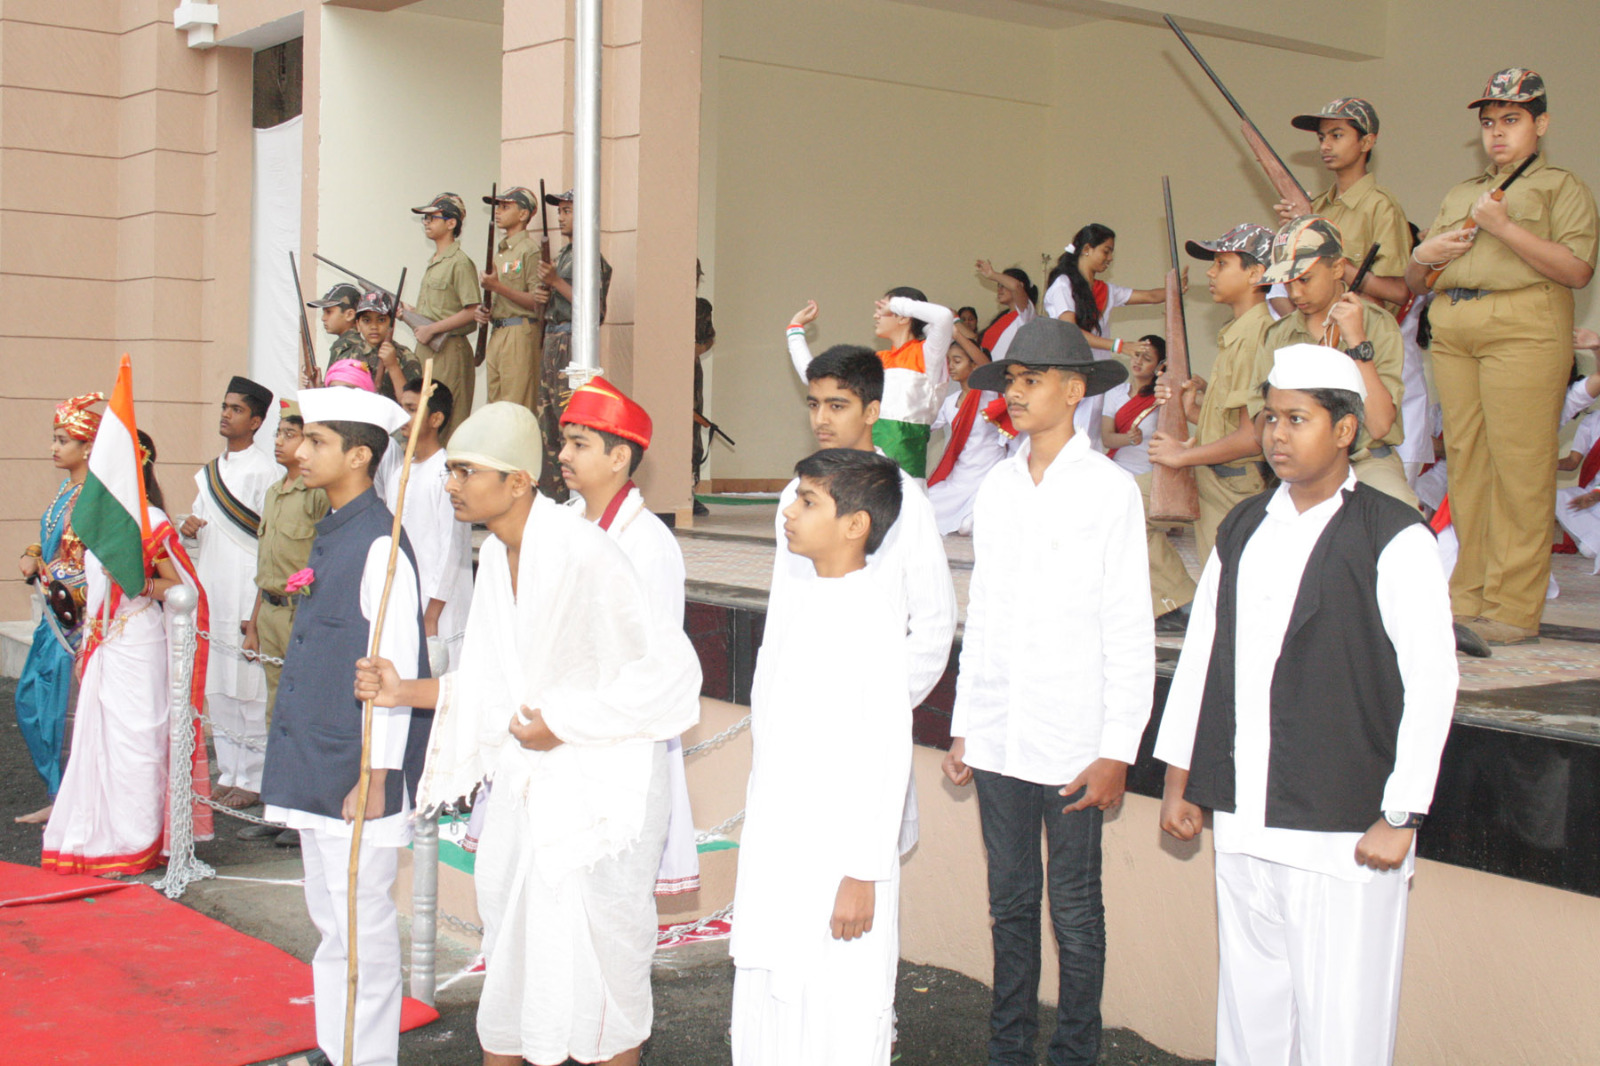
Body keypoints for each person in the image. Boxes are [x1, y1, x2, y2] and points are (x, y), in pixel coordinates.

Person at [354, 401, 701, 1066]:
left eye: (466, 470)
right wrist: (406, 691)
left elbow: (673, 678)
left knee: (602, 987)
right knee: (512, 973)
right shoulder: (500, 558)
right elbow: (491, 690)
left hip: (596, 806)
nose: (450, 483)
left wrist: (564, 725)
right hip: (528, 796)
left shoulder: (583, 552)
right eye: (449, 469)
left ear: (517, 481)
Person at [1155, 344, 1457, 1066]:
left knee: (1341, 1030)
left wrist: (1400, 813)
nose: (1277, 435)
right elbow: (1204, 658)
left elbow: (1432, 679)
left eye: (1298, 418)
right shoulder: (1244, 526)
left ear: (1346, 429)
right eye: (1269, 418)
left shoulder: (1394, 533)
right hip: (1246, 817)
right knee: (1250, 1015)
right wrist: (1181, 778)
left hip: (1344, 827)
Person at [942, 317, 1154, 1066]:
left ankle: (1074, 1052)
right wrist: (968, 725)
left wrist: (1116, 750)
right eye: (1011, 381)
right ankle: (1009, 1050)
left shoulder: (1109, 492)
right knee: (1009, 907)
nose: (1016, 394)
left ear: (1073, 391)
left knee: (1074, 910)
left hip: (1073, 737)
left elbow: (1128, 628)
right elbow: (986, 613)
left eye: (1031, 382)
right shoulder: (997, 487)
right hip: (1000, 734)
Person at [259, 386, 426, 1066]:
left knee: (363, 927)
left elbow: (397, 669)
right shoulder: (335, 532)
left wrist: (377, 774)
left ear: (360, 455)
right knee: (333, 922)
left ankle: (368, 1056)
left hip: (358, 772)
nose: (300, 450)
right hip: (320, 761)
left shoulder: (380, 545)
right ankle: (338, 1047)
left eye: (318, 440)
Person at [730, 448, 910, 1066]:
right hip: (784, 849)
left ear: (856, 524)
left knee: (835, 1018)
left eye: (808, 501)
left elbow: (887, 753)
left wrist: (862, 872)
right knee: (772, 1018)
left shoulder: (873, 615)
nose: (790, 511)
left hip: (839, 865)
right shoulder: (806, 602)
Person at [1406, 68, 1597, 646]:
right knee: (1466, 464)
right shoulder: (1462, 191)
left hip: (1524, 323)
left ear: (1540, 124)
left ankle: (1513, 607)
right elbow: (1417, 281)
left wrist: (1505, 228)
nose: (1497, 133)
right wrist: (1423, 254)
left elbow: (1576, 269)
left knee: (1521, 467)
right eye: (1489, 123)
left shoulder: (1560, 186)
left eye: (1511, 120)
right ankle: (1468, 595)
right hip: (1457, 326)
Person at [772, 345, 956, 860]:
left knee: (858, 891)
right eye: (813, 404)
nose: (821, 419)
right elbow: (785, 611)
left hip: (862, 728)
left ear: (872, 411)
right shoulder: (795, 494)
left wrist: (881, 702)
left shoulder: (905, 501)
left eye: (837, 405)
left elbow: (935, 622)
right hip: (793, 715)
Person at [558, 376, 700, 896]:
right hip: (566, 729)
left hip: (620, 742)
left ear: (619, 458)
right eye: (565, 441)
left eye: (579, 444)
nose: (563, 454)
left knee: (612, 899)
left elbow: (652, 664)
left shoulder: (649, 544)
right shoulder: (564, 524)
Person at [42, 432, 207, 875]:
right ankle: (102, 834)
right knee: (99, 743)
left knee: (137, 743)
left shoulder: (150, 520)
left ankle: (139, 838)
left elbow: (183, 588)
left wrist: (142, 585)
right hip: (104, 642)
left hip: (138, 639)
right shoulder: (97, 519)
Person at [1257, 216, 1416, 508]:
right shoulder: (1279, 335)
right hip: (1300, 468)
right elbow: (1262, 423)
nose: (1295, 294)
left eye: (1304, 279)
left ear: (1338, 269)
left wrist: (1356, 342)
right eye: (1287, 283)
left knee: (1401, 513)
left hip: (1367, 463)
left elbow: (1380, 425)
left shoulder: (1377, 325)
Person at [182, 376, 280, 811]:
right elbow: (202, 531)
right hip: (212, 587)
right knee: (219, 686)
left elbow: (269, 541)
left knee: (249, 687)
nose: (226, 414)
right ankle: (229, 772)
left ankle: (255, 778)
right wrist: (189, 530)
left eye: (236, 409)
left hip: (246, 590)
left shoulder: (265, 471)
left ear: (256, 421)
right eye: (225, 407)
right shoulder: (210, 473)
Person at [1149, 223, 1275, 561]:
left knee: (1224, 587)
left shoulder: (1255, 339)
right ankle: (1178, 605)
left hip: (1232, 485)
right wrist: (1191, 410)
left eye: (1222, 263)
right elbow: (1230, 422)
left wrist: (1181, 455)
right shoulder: (1237, 332)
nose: (1211, 272)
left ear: (1256, 273)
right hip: (1217, 474)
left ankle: (1179, 604)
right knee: (1122, 504)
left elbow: (1253, 437)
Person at [240, 401, 331, 844]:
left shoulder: (315, 495)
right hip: (272, 611)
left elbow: (320, 557)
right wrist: (254, 622)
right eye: (277, 434)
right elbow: (267, 563)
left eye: (288, 434)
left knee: (302, 708)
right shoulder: (275, 493)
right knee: (275, 711)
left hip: (301, 611)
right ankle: (277, 806)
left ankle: (301, 811)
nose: (279, 442)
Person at [14, 393, 101, 825]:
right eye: (54, 439)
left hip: (73, 623)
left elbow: (95, 558)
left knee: (60, 709)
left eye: (63, 440)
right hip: (53, 615)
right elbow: (50, 539)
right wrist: (33, 554)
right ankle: (60, 793)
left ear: (87, 447)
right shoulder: (67, 490)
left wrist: (65, 586)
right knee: (32, 699)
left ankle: (67, 798)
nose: (54, 447)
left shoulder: (92, 496)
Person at [1043, 224, 1186, 452]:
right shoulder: (1063, 285)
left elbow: (1149, 295)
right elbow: (1070, 332)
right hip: (1066, 373)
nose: (1109, 258)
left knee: (1087, 440)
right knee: (1066, 439)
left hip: (1094, 377)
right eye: (1106, 251)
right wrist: (1120, 346)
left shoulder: (1105, 290)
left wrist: (1174, 287)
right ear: (1087, 249)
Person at [787, 289, 955, 481]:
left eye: (882, 308)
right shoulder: (876, 361)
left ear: (903, 317)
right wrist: (795, 331)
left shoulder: (927, 354)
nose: (876, 315)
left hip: (906, 471)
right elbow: (816, 378)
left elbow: (943, 317)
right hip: (866, 464)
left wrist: (897, 305)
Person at [1277, 98, 1412, 311]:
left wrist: (1323, 245)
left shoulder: (1380, 206)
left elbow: (1398, 292)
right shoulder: (1318, 206)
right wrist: (1292, 233)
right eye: (1321, 137)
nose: (1325, 146)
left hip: (1361, 331)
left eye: (1337, 135)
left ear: (1366, 142)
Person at [1102, 336, 1196, 623]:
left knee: (1130, 524)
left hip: (1150, 475)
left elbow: (1178, 435)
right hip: (1117, 470)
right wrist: (1127, 438)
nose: (1138, 361)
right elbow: (1107, 437)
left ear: (1159, 366)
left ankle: (1174, 601)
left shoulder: (1162, 396)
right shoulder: (1116, 393)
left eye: (1146, 357)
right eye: (1136, 354)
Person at [384, 378, 472, 678]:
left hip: (439, 610)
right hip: (407, 599)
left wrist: (432, 613)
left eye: (411, 409)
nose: (402, 417)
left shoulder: (447, 472)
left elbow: (453, 548)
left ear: (436, 419)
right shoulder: (399, 473)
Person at [537, 187, 614, 501]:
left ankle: (574, 498)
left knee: (570, 421)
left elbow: (593, 309)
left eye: (568, 211)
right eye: (560, 211)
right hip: (553, 339)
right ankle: (551, 496)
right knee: (548, 424)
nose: (561, 217)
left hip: (572, 343)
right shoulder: (563, 255)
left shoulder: (589, 257)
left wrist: (556, 283)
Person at [407, 192, 482, 441]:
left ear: (451, 223)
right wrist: (410, 315)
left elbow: (473, 310)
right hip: (429, 349)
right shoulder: (436, 261)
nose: (426, 223)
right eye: (425, 219)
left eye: (432, 217)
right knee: (424, 418)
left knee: (446, 422)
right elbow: (437, 311)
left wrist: (433, 329)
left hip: (449, 349)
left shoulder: (459, 262)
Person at [928, 329, 1005, 536]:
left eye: (957, 360)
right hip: (959, 477)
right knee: (925, 508)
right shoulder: (950, 402)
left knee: (968, 526)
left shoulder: (990, 395)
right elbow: (925, 427)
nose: (951, 366)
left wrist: (957, 334)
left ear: (973, 366)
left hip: (987, 475)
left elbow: (989, 367)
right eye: (949, 361)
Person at [476, 187, 544, 410]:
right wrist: (484, 310)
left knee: (515, 407)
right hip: (498, 331)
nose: (498, 212)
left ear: (523, 214)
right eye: (498, 206)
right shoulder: (502, 252)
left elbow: (537, 301)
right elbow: (497, 297)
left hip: (519, 332)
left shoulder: (529, 250)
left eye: (505, 206)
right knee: (494, 405)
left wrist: (497, 286)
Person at [350, 291, 421, 400]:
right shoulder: (349, 355)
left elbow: (412, 403)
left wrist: (393, 366)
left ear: (392, 324)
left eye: (381, 320)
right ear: (358, 325)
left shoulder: (405, 356)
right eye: (366, 320)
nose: (374, 326)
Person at [975, 261, 1036, 364]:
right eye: (998, 286)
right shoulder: (1002, 317)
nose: (999, 290)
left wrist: (992, 274)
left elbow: (1015, 286)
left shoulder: (1026, 314)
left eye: (1003, 285)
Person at [692, 296, 716, 516]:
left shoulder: (701, 307)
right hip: (665, 369)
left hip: (691, 372)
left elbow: (710, 337)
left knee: (693, 430)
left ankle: (689, 493)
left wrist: (698, 349)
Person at [307, 283, 364, 371]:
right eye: (324, 312)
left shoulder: (352, 348)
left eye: (329, 312)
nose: (323, 318)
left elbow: (346, 383)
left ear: (349, 315)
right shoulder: (345, 345)